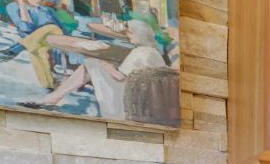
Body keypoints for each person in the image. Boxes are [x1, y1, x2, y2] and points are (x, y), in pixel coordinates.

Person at [23, 19, 166, 119]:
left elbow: (120, 77)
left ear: (139, 35)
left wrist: (103, 63)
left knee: (91, 62)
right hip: (145, 96)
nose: (128, 37)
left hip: (129, 97)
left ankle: (54, 97)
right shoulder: (153, 53)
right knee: (95, 63)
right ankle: (55, 97)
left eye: (129, 34)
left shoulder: (139, 53)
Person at [0, 0, 64, 87]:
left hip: (55, 35)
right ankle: (49, 86)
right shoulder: (13, 7)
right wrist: (22, 4)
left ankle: (14, 50)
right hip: (35, 41)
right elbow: (25, 28)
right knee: (36, 52)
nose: (39, 0)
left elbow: (60, 28)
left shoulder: (47, 10)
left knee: (51, 27)